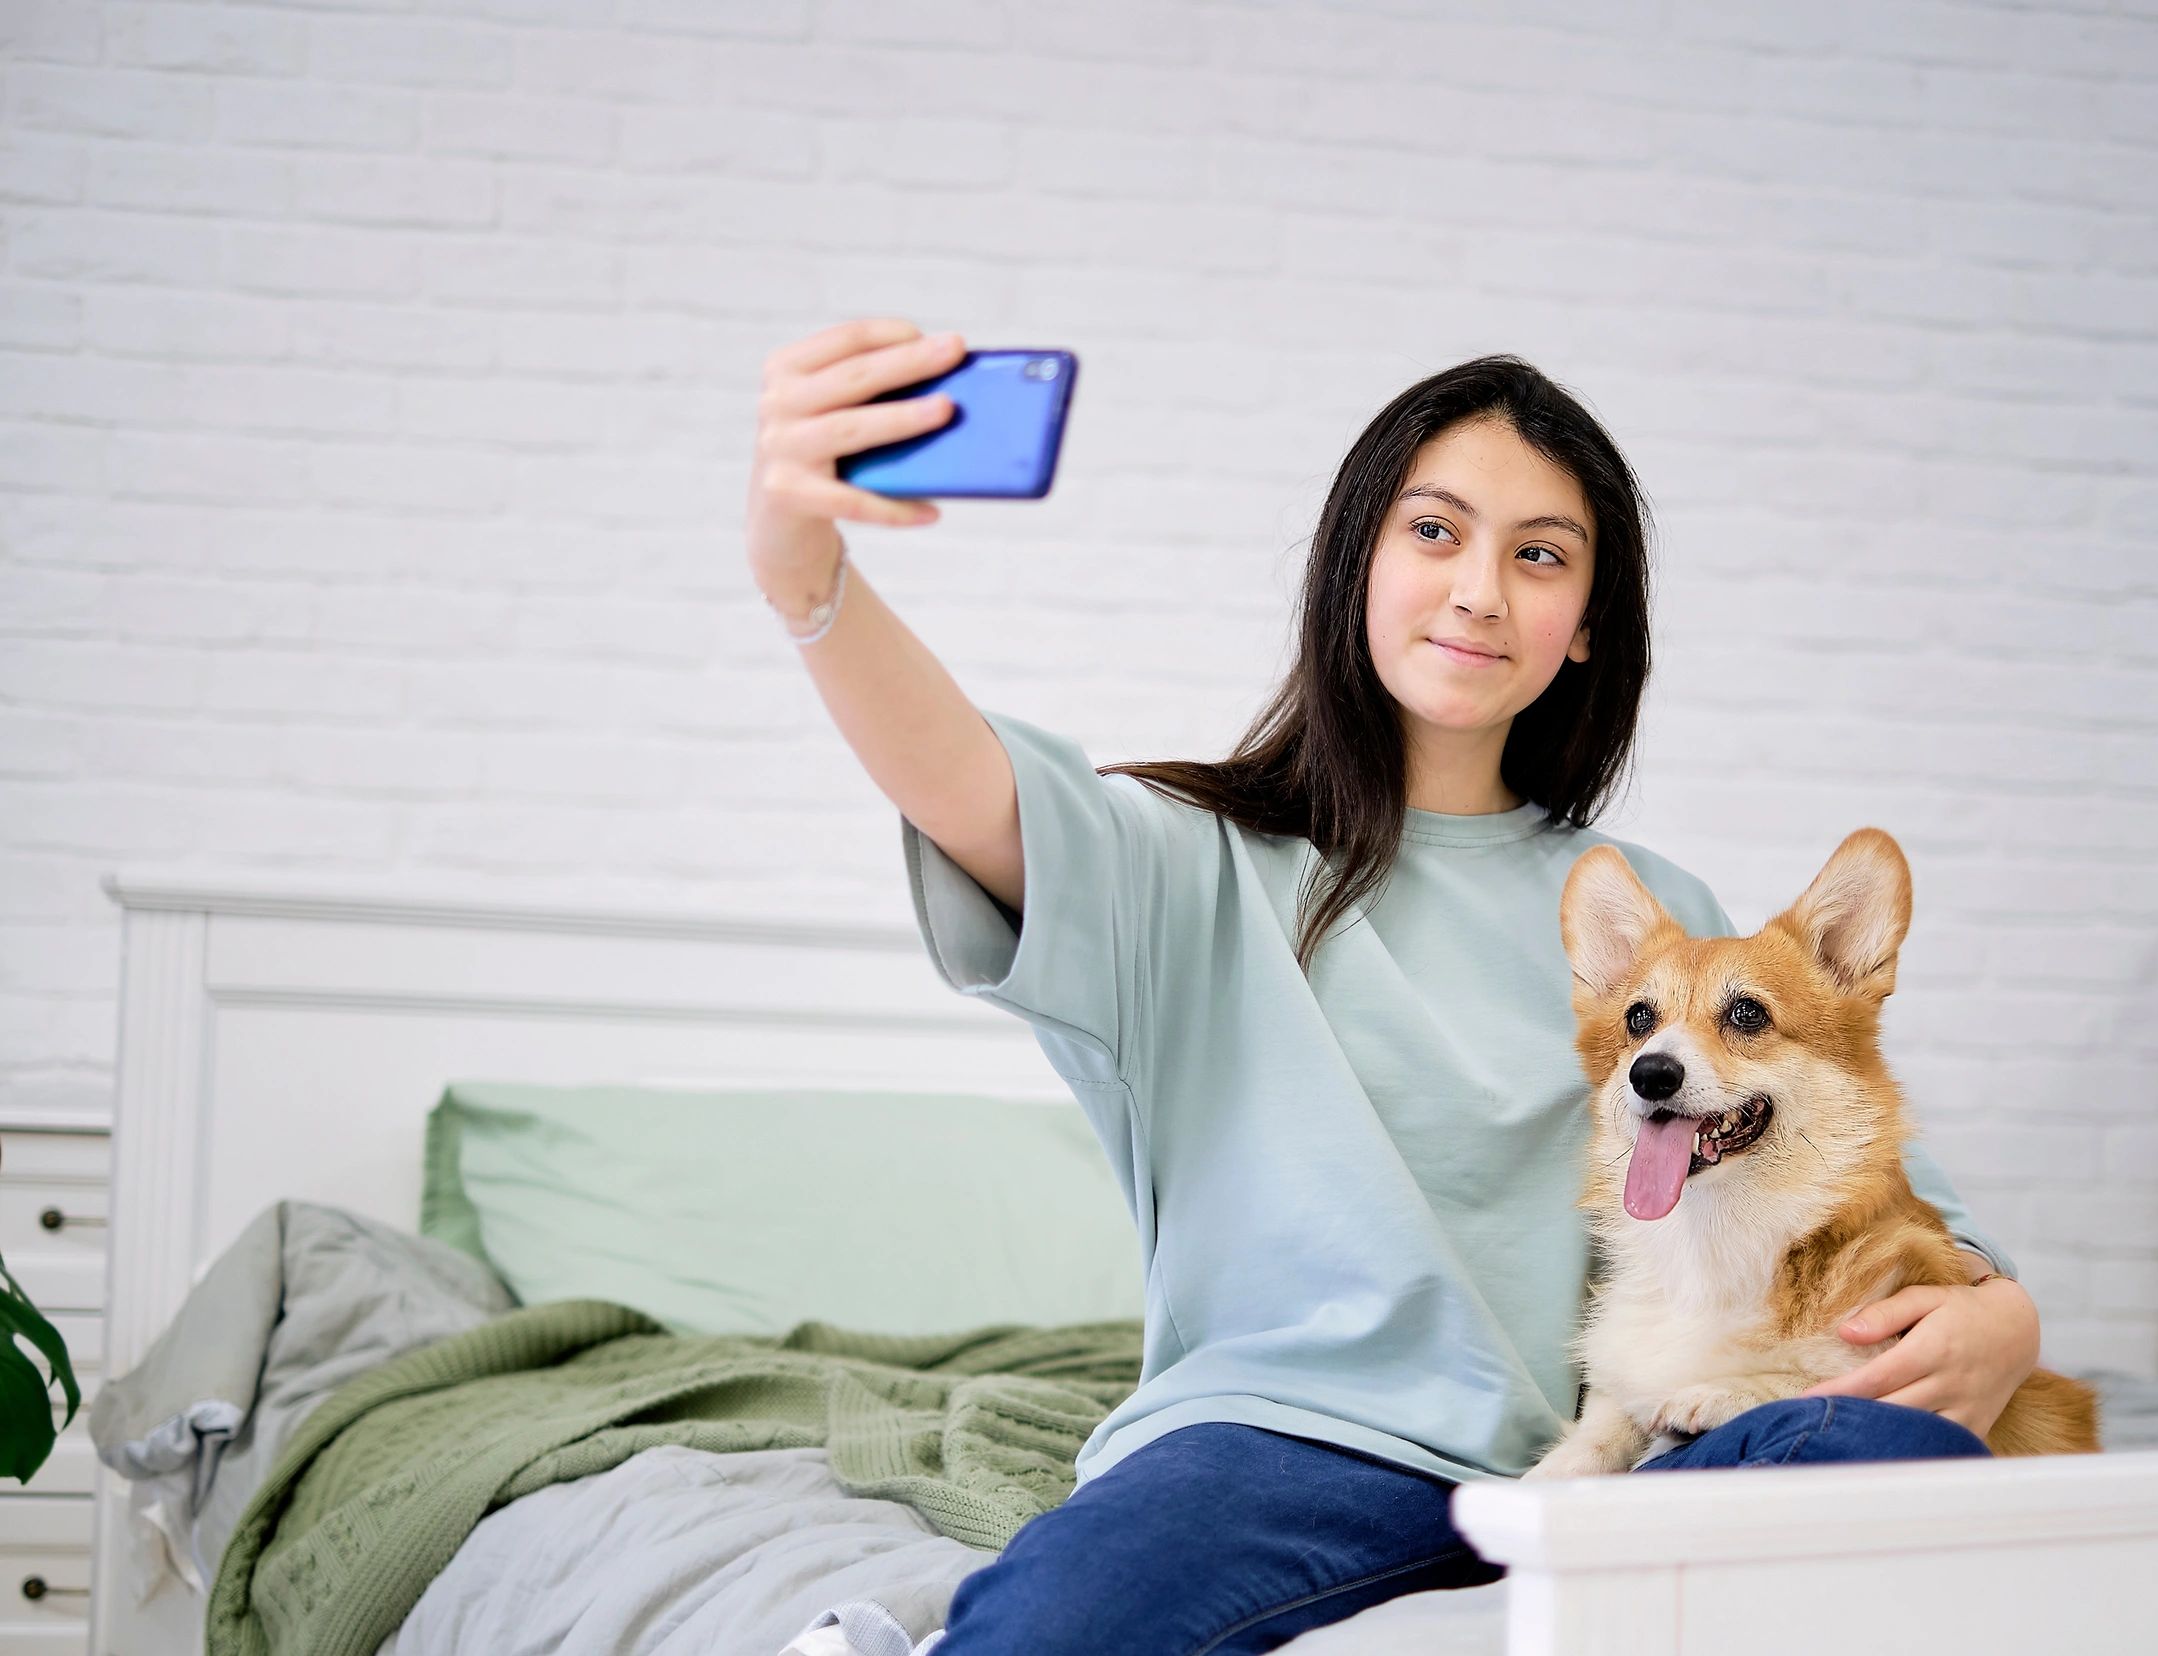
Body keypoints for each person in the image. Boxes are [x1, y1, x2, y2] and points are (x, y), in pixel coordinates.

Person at [746, 319, 2046, 1655]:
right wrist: (806, 575)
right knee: (1051, 1634)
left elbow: (1884, 1200)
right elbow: (963, 783)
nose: (1480, 590)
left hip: (1609, 1467)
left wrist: (1999, 1309)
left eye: (1538, 555)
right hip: (1287, 1454)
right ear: (1353, 563)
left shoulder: (1662, 924)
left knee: (1872, 1458)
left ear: (1587, 626)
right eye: (1434, 532)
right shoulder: (1184, 864)